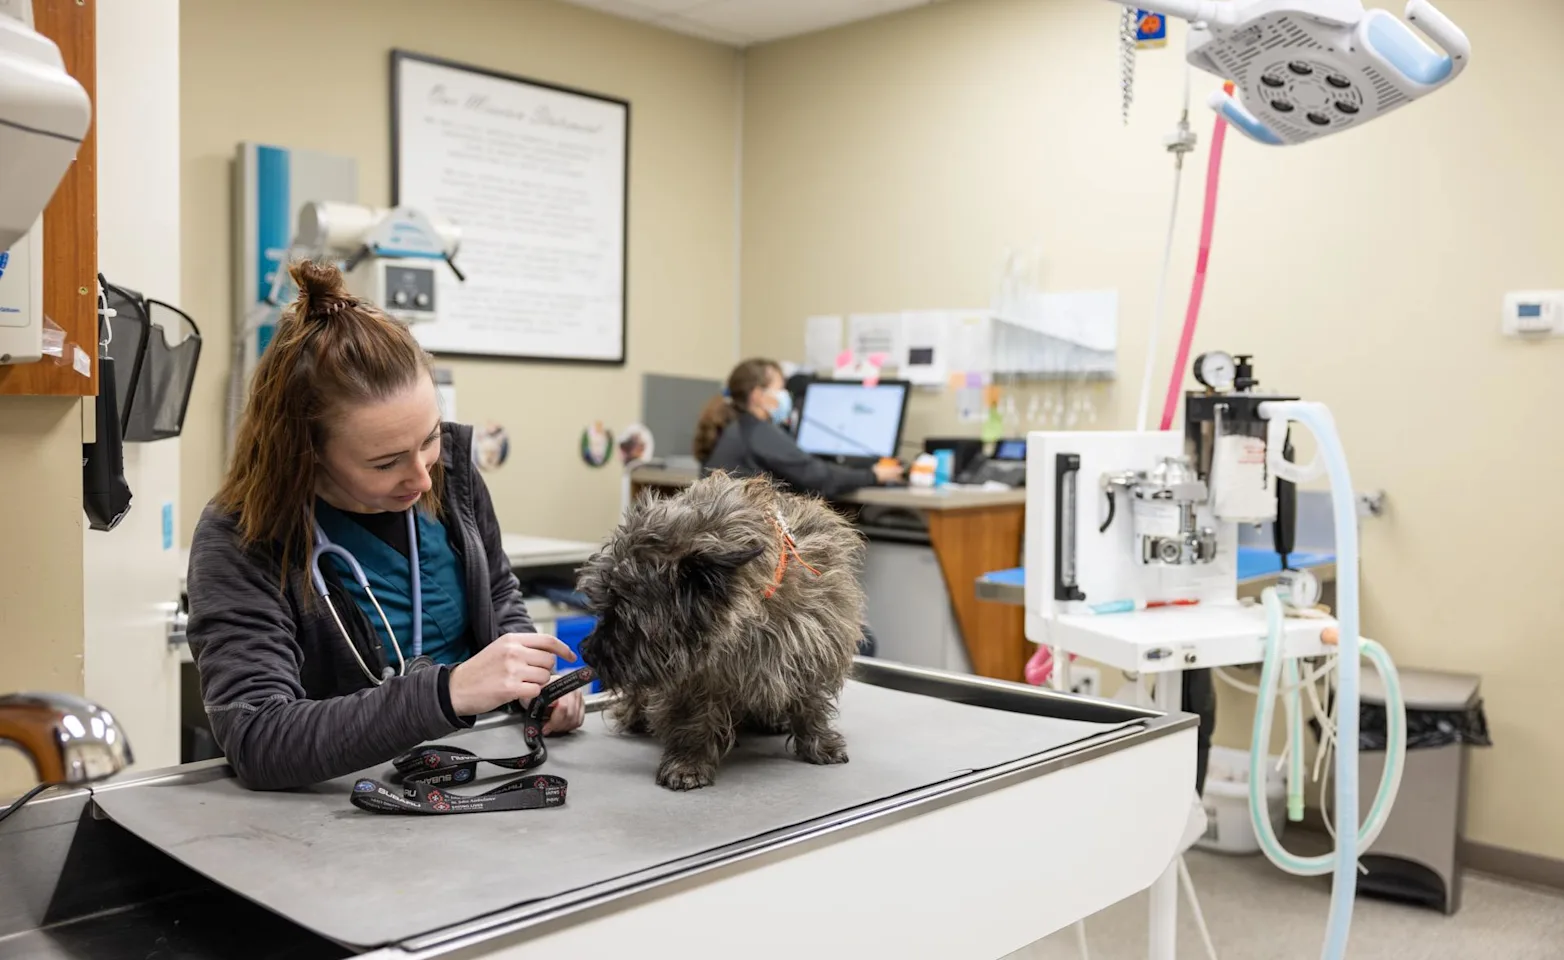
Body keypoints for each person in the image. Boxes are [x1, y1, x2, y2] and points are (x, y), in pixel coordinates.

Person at [185, 261, 585, 791]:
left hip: (478, 771)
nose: (420, 477)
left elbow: (497, 592)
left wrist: (530, 676)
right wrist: (448, 693)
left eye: (428, 439)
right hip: (345, 802)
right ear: (305, 454)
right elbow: (260, 738)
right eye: (385, 463)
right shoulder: (241, 535)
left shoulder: (452, 476)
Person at [694, 358, 904, 497]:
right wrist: (874, 475)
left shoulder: (736, 428)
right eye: (780, 388)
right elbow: (818, 477)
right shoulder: (758, 432)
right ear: (758, 395)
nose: (785, 396)